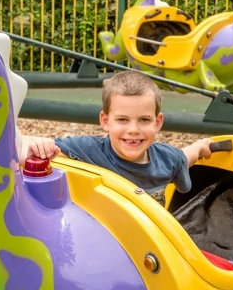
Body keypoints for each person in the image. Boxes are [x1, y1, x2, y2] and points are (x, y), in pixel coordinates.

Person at [17, 70, 213, 204]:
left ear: (158, 122)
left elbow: (186, 156)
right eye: (123, 120)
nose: (133, 129)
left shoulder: (168, 158)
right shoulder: (90, 150)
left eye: (144, 119)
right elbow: (20, 144)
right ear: (105, 121)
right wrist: (37, 145)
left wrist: (200, 147)